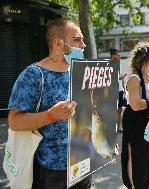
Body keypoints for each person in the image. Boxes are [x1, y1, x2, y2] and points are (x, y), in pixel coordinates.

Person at [8, 18, 92, 189]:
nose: (83, 45)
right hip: (52, 172)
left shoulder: (82, 70)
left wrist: (106, 138)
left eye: (83, 39)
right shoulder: (33, 75)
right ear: (58, 43)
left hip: (84, 163)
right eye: (77, 39)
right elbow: (14, 121)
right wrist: (49, 116)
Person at [121, 41, 149, 189]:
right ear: (146, 58)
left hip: (148, 120)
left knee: (148, 155)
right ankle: (135, 185)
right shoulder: (134, 78)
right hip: (135, 121)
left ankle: (145, 184)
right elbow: (136, 104)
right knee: (136, 155)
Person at [110, 48, 127, 133]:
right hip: (112, 90)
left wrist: (124, 88)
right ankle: (112, 127)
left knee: (120, 109)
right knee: (113, 109)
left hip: (120, 90)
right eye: (117, 54)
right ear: (113, 55)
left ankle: (119, 127)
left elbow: (121, 77)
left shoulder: (119, 64)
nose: (119, 55)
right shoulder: (109, 64)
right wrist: (119, 78)